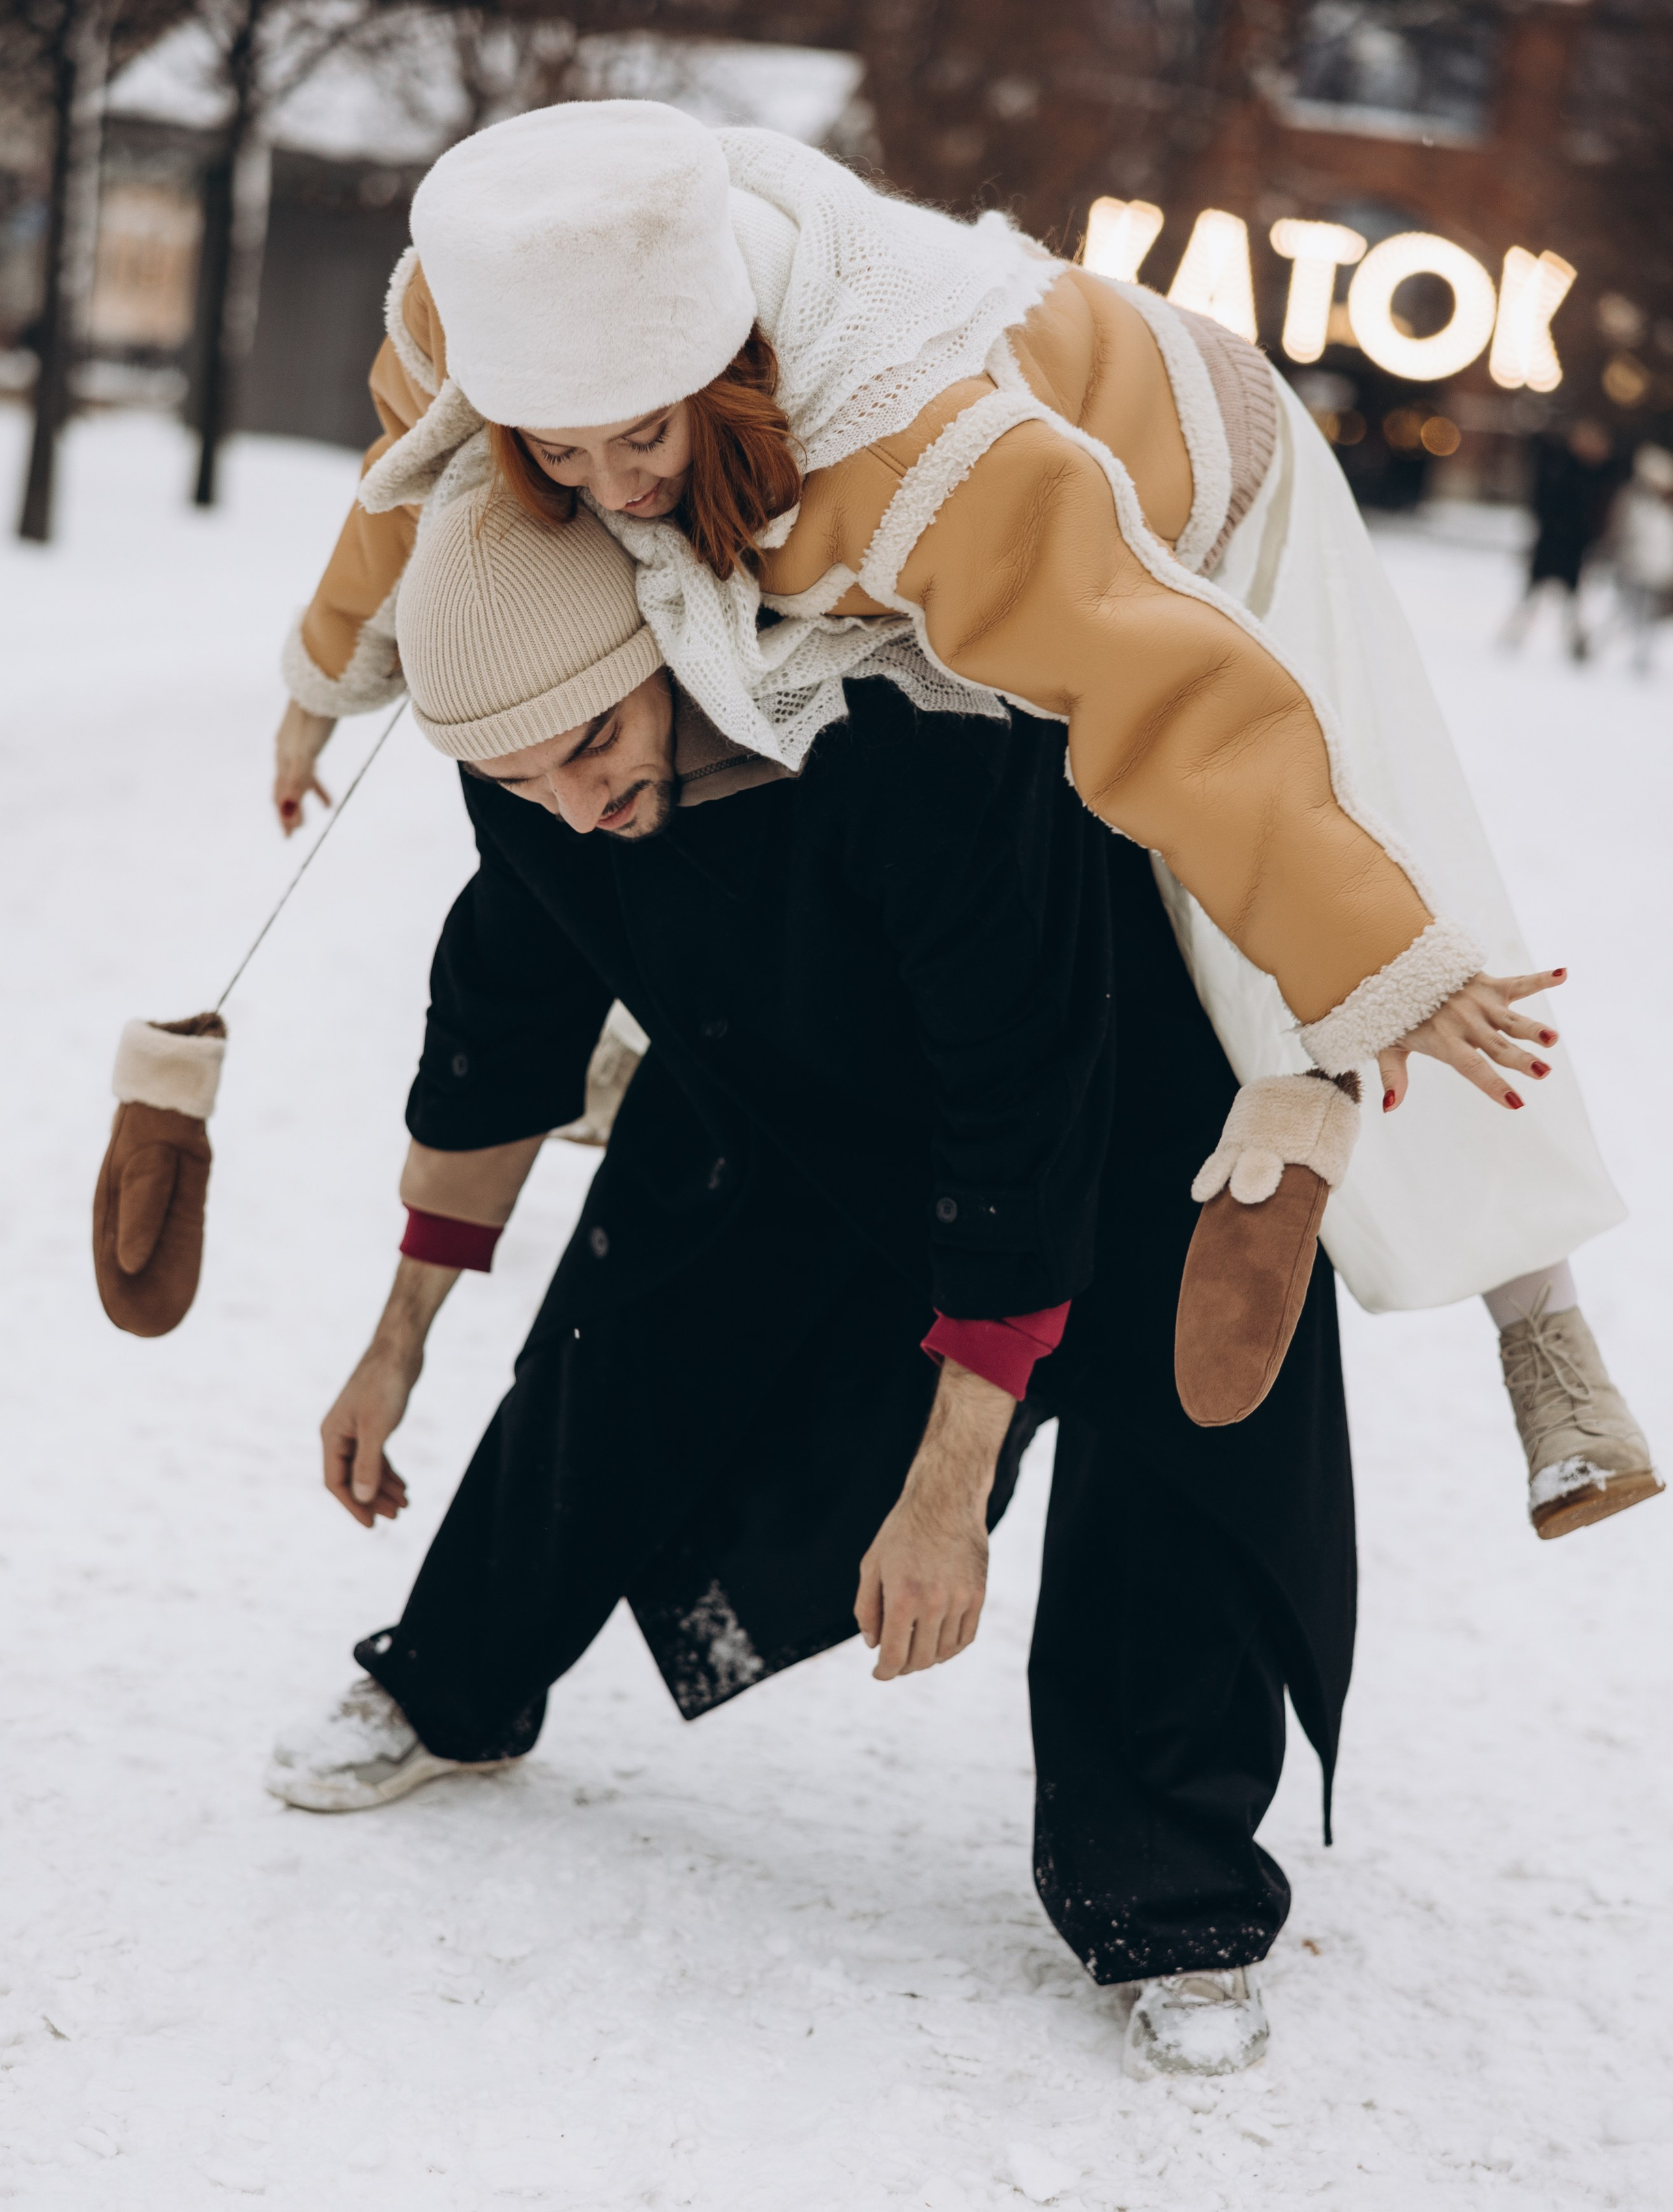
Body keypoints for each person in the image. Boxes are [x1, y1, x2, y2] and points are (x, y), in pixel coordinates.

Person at [273, 103, 1658, 1539]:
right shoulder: (477, 308)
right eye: (558, 455)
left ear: (721, 361)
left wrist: (1375, 957)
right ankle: (691, 1042)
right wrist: (324, 678)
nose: (611, 491)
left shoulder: (915, 453)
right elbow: (406, 490)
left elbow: (1170, 698)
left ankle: (1539, 1325)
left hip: (1199, 493)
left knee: (1360, 896)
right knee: (648, 702)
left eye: (637, 438)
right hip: (872, 555)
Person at [269, 482, 1363, 2083]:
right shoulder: (529, 779)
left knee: (1168, 1464)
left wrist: (941, 1484)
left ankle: (1171, 1906)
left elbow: (1019, 1097)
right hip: (794, 1082)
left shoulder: (911, 741)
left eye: (586, 749)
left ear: (666, 651)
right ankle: (451, 1684)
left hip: (1108, 1101)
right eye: (510, 778)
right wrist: (394, 1345)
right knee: (623, 1328)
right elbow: (500, 1022)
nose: (566, 805)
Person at [1502, 419, 1623, 664]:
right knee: (1533, 593)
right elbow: (1542, 500)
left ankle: (1574, 644)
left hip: (1575, 548)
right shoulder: (1558, 466)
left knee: (1572, 598)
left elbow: (1601, 511)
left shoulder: (1599, 474)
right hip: (1552, 542)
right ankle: (1514, 635)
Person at [1599, 443, 1673, 676]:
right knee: (1626, 614)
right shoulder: (1632, 500)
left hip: (1659, 572)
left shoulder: (1666, 508)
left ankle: (1642, 657)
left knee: (1649, 617)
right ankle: (1598, 643)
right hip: (1633, 569)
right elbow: (1621, 533)